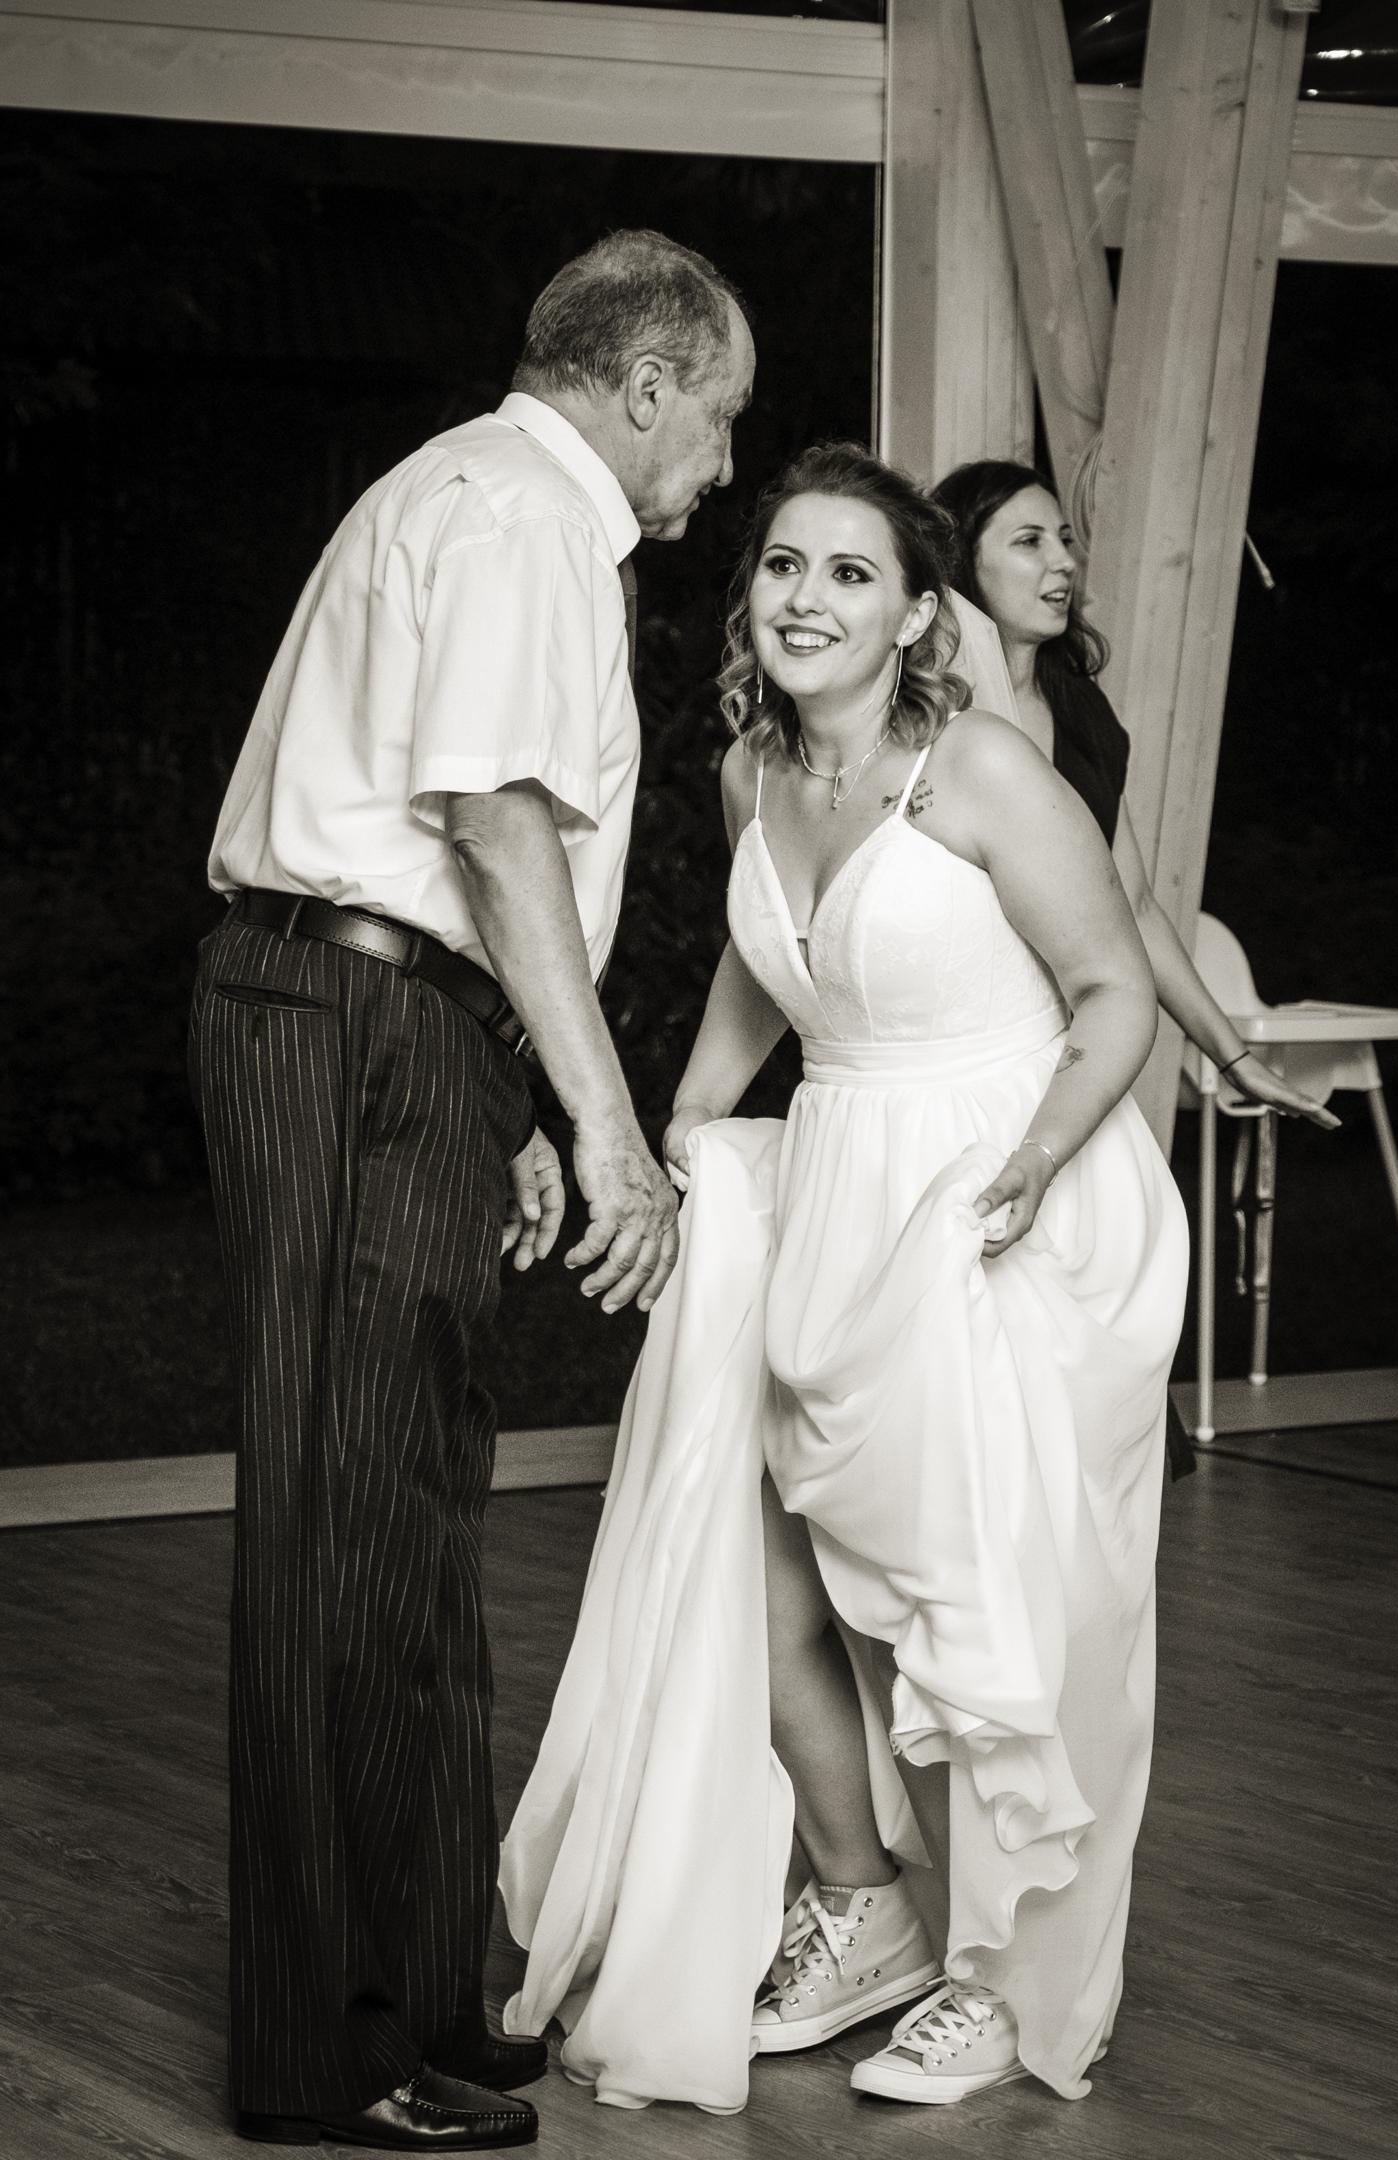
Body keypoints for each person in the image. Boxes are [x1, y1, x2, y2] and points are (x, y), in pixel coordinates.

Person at [500, 443, 1189, 2113]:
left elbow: (1114, 991)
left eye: (852, 573)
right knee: (772, 1582)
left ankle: (1006, 1984)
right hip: (837, 1189)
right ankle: (864, 1909)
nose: (808, 598)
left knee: (989, 1612)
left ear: (915, 616)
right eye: (785, 565)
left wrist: (1030, 1164)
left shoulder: (981, 771)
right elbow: (774, 965)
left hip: (1008, 1195)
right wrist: (679, 1123)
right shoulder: (755, 774)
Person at [190, 228, 755, 2151]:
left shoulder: (491, 500)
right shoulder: (518, 513)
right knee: (348, 1524)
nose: (724, 467)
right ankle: (330, 2051)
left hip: (395, 1022)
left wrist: (499, 1088)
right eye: (719, 419)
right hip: (347, 1018)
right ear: (648, 384)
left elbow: (464, 873)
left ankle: (427, 1992)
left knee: (414, 1513)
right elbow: (495, 828)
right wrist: (602, 1127)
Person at [930, 460, 1339, 1134]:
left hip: (1062, 1063)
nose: (1064, 561)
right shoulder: (925, 720)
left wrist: (1232, 1056)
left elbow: (1134, 905)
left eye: (1065, 539)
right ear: (960, 564)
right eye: (1030, 541)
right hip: (946, 1067)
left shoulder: (1083, 716)